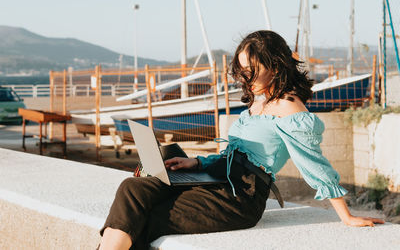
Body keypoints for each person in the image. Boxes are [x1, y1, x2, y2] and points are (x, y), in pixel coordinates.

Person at [98, 30, 384, 250]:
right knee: (134, 188)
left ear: (275, 64)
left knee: (143, 218)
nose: (245, 77)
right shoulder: (258, 104)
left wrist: (346, 216)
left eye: (251, 70)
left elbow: (314, 164)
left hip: (239, 200)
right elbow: (232, 156)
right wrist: (196, 162)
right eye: (242, 70)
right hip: (218, 182)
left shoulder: (290, 107)